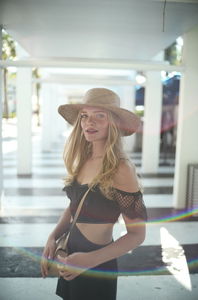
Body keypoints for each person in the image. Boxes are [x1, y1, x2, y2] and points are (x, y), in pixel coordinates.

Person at [41, 88, 147, 300]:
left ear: (114, 123)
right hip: (69, 257)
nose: (90, 122)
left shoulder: (121, 168)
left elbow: (137, 235)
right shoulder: (84, 159)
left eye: (100, 115)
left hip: (97, 264)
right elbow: (75, 205)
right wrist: (52, 237)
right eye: (85, 116)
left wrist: (89, 261)